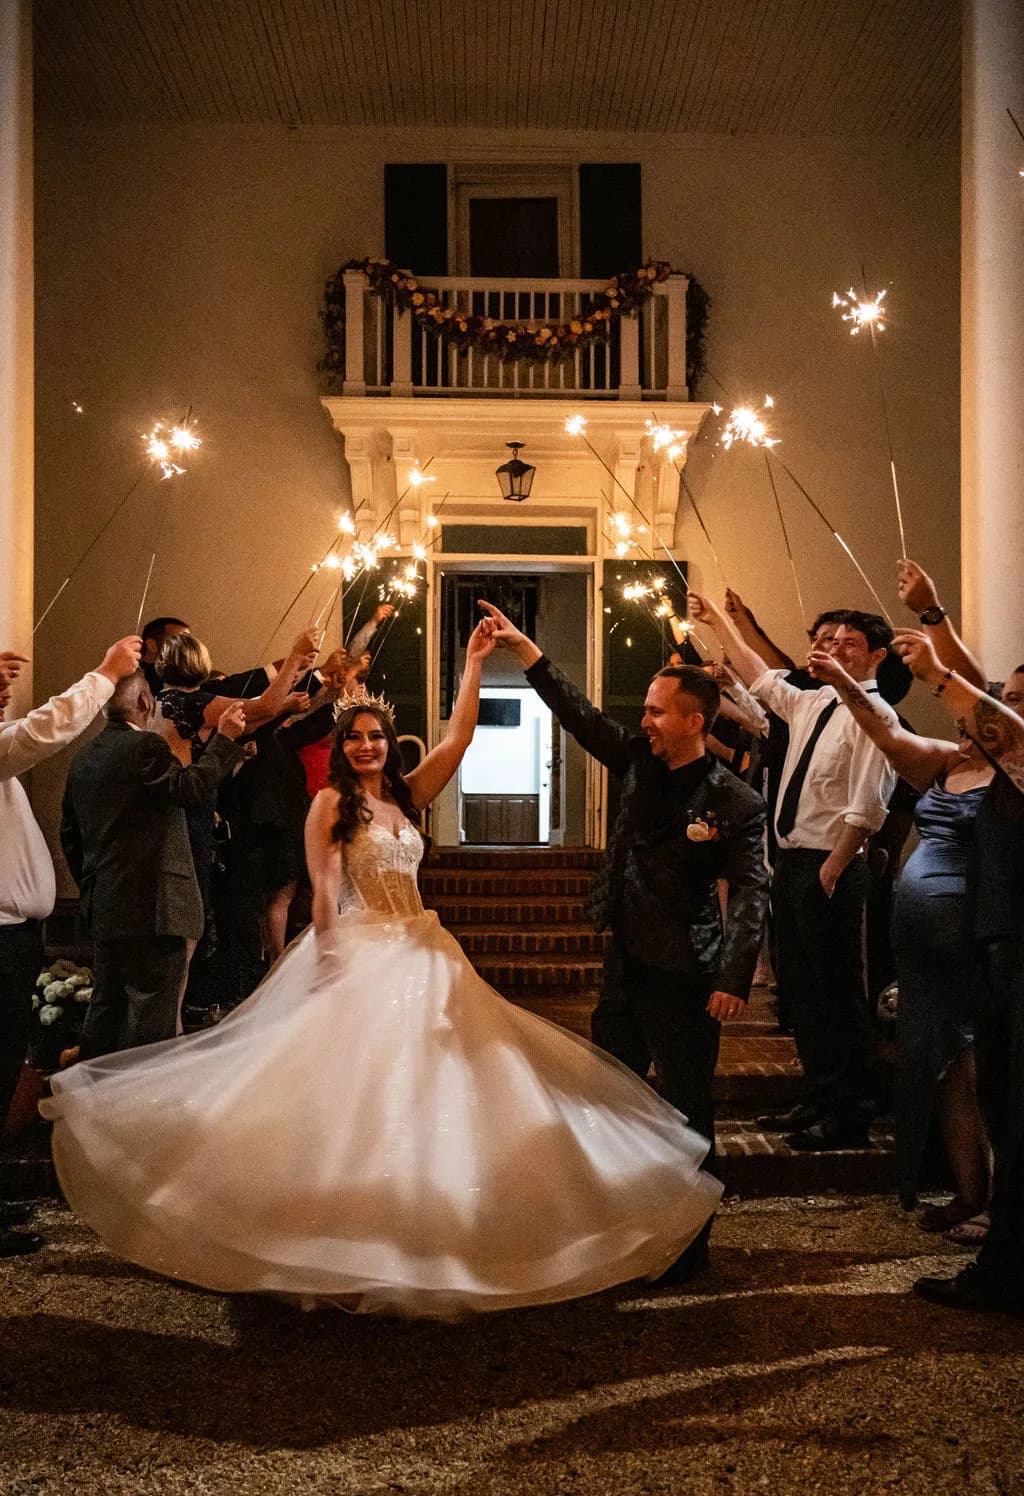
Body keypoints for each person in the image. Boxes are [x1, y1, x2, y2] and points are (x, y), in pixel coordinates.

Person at [41, 615, 721, 1318]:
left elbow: (458, 736)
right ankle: (344, 1242)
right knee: (360, 1102)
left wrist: (477, 663)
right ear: (343, 745)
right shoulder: (331, 803)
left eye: (375, 737)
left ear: (388, 745)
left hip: (426, 950)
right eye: (356, 737)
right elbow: (323, 886)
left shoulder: (407, 797)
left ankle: (434, 1232)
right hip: (363, 948)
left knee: (447, 1093)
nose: (366, 746)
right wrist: (331, 952)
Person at [478, 599, 769, 1282]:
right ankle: (622, 1223)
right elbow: (579, 715)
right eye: (644, 710)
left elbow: (753, 892)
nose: (644, 720)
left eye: (657, 711)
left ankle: (689, 1244)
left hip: (686, 973)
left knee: (687, 1106)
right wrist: (527, 653)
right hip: (626, 960)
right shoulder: (637, 758)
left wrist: (733, 975)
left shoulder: (735, 801)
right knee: (612, 1093)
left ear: (695, 722)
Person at [690, 593, 897, 1151]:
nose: (833, 649)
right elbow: (761, 678)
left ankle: (848, 1110)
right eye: (827, 641)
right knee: (802, 992)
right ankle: (818, 1094)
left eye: (848, 644)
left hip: (834, 864)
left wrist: (833, 867)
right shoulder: (812, 704)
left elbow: (869, 804)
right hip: (795, 862)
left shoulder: (875, 716)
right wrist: (719, 623)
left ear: (875, 656)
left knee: (838, 992)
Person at [806, 647, 994, 1230]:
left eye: (978, 720)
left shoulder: (1016, 776)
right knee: (940, 1072)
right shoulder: (946, 763)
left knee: (984, 1072)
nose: (962, 732)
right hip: (923, 954)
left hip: (978, 948)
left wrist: (939, 656)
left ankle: (999, 1209)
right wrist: (841, 681)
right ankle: (969, 1193)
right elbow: (886, 735)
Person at [893, 632, 1024, 1312]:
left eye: (1020, 701)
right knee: (1003, 1106)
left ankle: (1004, 1272)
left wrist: (939, 671)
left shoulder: (1019, 757)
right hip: (997, 951)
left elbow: (1006, 734)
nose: (1003, 711)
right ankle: (1004, 1260)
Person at [0, 634, 143, 1259]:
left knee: (6, 1066)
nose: (5, 690)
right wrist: (105, 673)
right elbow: (42, 731)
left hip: (17, 938)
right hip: (0, 938)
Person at [60, 672, 248, 1058]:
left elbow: (70, 835)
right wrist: (225, 740)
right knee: (152, 1019)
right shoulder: (145, 747)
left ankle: (93, 1101)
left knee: (106, 1012)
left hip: (105, 904)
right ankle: (140, 1108)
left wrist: (96, 884)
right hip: (154, 906)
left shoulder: (83, 758)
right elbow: (189, 789)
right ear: (146, 701)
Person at [140, 616, 189, 694]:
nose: (187, 648)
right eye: (178, 641)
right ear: (152, 645)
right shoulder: (132, 680)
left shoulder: (183, 679)